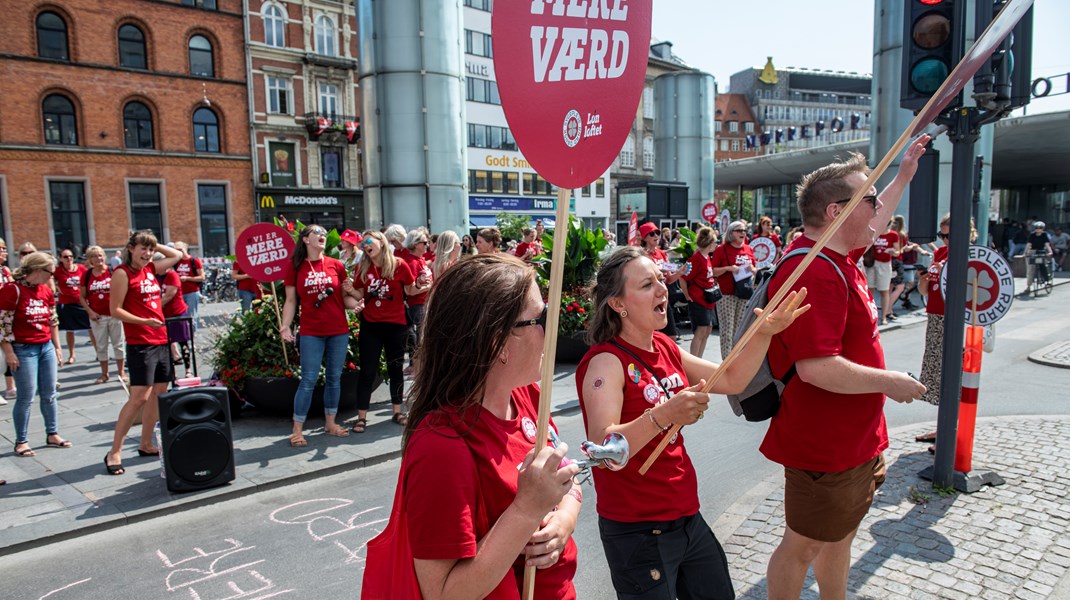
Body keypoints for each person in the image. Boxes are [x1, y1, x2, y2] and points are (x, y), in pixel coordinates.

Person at [577, 246, 809, 600]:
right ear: (618, 304)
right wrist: (664, 415)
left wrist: (765, 332)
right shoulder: (607, 363)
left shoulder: (665, 345)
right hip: (638, 531)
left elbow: (731, 379)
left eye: (660, 280)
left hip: (686, 516)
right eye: (646, 285)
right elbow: (604, 450)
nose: (662, 290)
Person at [762, 142, 929, 599]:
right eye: (868, 200)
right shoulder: (814, 270)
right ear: (837, 211)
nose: (878, 210)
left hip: (851, 441)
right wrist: (890, 382)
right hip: (825, 448)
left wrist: (905, 174)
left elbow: (873, 223)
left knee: (838, 537)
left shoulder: (836, 253)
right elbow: (816, 368)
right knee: (802, 546)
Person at [393, 253, 581, 599]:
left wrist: (564, 520)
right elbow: (443, 593)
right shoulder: (441, 446)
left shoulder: (528, 395)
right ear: (499, 342)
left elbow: (564, 482)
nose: (551, 330)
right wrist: (526, 510)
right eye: (539, 319)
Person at [104, 231, 184, 475]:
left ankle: (146, 443)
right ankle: (114, 451)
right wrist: (145, 321)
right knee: (139, 396)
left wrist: (153, 242)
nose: (147, 254)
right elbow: (115, 310)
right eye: (142, 249)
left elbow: (178, 255)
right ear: (130, 248)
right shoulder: (122, 273)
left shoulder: (150, 269)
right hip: (141, 342)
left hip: (160, 339)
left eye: (150, 250)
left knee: (159, 394)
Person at [280, 225, 360, 447]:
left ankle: (330, 423)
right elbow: (290, 301)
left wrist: (356, 305)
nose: (322, 235)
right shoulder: (295, 267)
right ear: (305, 239)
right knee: (308, 380)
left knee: (334, 378)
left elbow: (344, 298)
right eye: (317, 232)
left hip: (338, 330)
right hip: (311, 332)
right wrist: (285, 326)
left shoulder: (336, 265)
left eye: (324, 233)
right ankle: (297, 430)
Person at [345, 231, 428, 432]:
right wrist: (349, 290)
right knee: (367, 371)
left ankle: (397, 411)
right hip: (371, 326)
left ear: (381, 242)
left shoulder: (399, 265)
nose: (365, 245)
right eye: (362, 243)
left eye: (368, 241)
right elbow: (360, 293)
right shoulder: (362, 267)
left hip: (396, 325)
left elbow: (409, 290)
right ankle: (362, 417)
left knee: (395, 368)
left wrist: (426, 286)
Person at [1, 251, 71, 458]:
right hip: (23, 349)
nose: (53, 276)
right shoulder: (11, 290)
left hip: (45, 346)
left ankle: (52, 433)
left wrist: (57, 347)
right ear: (38, 270)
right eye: (50, 272)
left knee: (50, 393)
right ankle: (21, 441)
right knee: (26, 397)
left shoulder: (46, 291)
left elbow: (52, 320)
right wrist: (9, 352)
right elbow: (2, 325)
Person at [710, 220, 756, 360]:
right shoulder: (722, 249)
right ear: (731, 233)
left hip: (744, 293)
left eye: (744, 230)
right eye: (740, 230)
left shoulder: (748, 249)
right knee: (727, 330)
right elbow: (713, 271)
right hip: (727, 294)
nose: (743, 233)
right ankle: (726, 362)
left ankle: (736, 360)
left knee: (740, 330)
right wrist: (728, 269)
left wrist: (752, 269)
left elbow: (755, 269)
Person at [80, 245, 125, 384]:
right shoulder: (87, 275)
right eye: (94, 256)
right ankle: (104, 374)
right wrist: (90, 312)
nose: (98, 258)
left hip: (115, 314)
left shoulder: (113, 271)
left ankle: (121, 372)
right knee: (101, 346)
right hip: (98, 317)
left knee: (118, 344)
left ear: (104, 257)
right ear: (89, 260)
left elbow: (123, 290)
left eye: (100, 255)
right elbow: (82, 296)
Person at [679, 226, 719, 358]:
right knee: (701, 330)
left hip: (708, 300)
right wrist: (687, 295)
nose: (716, 245)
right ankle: (695, 359)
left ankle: (699, 358)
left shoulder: (706, 257)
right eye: (715, 242)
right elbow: (683, 277)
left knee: (707, 330)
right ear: (710, 243)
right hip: (698, 299)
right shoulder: (696, 259)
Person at [401, 228, 434, 372]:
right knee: (421, 338)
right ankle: (418, 368)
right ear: (415, 244)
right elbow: (410, 289)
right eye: (424, 242)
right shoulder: (411, 262)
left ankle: (419, 366)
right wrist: (430, 287)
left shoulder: (420, 259)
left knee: (423, 337)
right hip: (417, 304)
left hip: (425, 302)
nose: (427, 245)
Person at [55, 248, 90, 365]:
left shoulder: (81, 268)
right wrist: (56, 288)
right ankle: (71, 355)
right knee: (70, 330)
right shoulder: (58, 271)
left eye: (70, 256)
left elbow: (88, 280)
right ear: (60, 259)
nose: (69, 258)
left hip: (82, 302)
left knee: (91, 328)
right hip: (67, 303)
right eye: (65, 257)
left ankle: (99, 353)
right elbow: (49, 280)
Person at [159, 261, 192, 377]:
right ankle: (170, 371)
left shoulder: (172, 275)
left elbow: (169, 294)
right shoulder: (155, 276)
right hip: (163, 314)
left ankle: (188, 370)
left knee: (183, 342)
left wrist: (154, 306)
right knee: (166, 344)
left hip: (177, 313)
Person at [866, 218, 901, 325]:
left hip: (885, 264)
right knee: (870, 289)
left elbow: (898, 252)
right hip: (872, 263)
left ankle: (884, 316)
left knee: (884, 290)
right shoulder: (874, 232)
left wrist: (892, 252)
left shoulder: (893, 234)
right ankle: (869, 315)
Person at [173, 242, 204, 331]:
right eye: (176, 250)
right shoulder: (176, 262)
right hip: (179, 292)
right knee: (180, 315)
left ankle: (192, 337)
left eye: (180, 250)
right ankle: (184, 337)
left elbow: (202, 277)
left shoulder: (194, 261)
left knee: (191, 315)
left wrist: (187, 278)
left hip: (192, 292)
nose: (178, 252)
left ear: (185, 249)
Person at [1, 239, 16, 402]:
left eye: (5, 248)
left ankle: (10, 386)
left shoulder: (5, 270)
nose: (4, 251)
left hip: (5, 316)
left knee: (7, 353)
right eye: (1, 249)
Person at [1025, 221, 1055, 292]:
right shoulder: (1032, 235)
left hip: (1041, 251)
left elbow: (1047, 245)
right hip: (1033, 251)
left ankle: (1046, 280)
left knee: (1043, 266)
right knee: (1030, 269)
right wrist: (1025, 252)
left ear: (1042, 229)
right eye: (1037, 228)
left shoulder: (1044, 235)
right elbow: (1028, 244)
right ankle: (1028, 286)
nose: (1038, 229)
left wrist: (1050, 252)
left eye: (1040, 228)